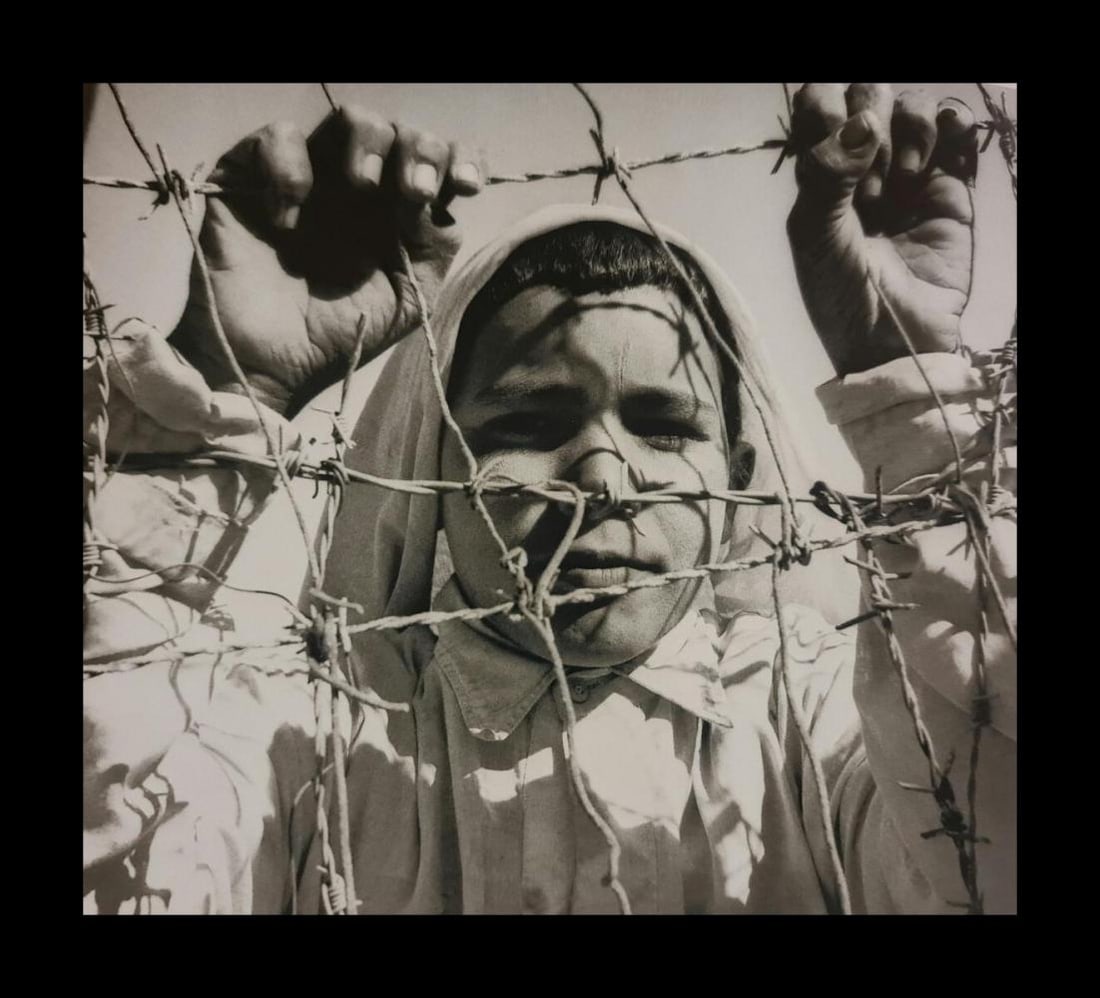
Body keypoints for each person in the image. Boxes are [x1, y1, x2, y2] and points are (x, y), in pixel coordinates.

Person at [82, 83, 1017, 914]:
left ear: (737, 472)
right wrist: (221, 400)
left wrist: (914, 403)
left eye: (661, 425)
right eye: (528, 426)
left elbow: (987, 853)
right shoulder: (308, 733)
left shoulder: (820, 722)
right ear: (430, 468)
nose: (603, 482)